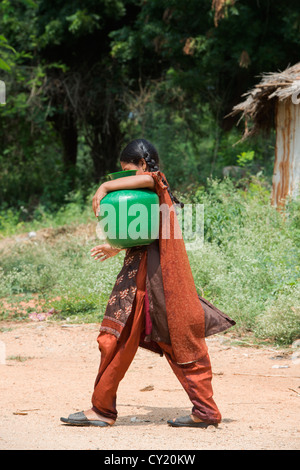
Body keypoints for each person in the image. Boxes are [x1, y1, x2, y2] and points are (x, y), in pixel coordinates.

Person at [60, 139, 235, 428]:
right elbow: (145, 233)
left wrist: (103, 187)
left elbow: (152, 178)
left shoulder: (155, 182)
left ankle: (105, 410)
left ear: (142, 165)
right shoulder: (150, 197)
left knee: (140, 338)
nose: (126, 179)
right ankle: (203, 411)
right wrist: (115, 247)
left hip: (151, 279)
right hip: (148, 276)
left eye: (129, 171)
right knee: (148, 338)